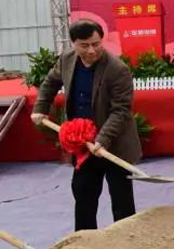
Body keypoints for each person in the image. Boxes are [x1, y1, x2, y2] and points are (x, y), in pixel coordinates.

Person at [30, 20, 140, 231]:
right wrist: (40, 108)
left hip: (114, 144)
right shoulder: (67, 59)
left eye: (96, 44)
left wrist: (103, 139)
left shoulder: (117, 69)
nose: (92, 50)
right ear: (73, 44)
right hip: (83, 144)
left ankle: (127, 241)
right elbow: (50, 82)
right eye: (84, 45)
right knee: (83, 195)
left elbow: (121, 110)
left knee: (122, 201)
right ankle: (84, 242)